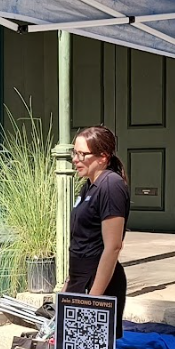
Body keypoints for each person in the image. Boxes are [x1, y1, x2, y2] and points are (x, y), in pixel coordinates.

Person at [66, 125, 129, 336]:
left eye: (82, 154)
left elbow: (113, 247)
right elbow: (81, 240)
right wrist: (68, 286)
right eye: (74, 152)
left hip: (97, 284)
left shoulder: (111, 186)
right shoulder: (89, 185)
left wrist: (92, 300)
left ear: (103, 157)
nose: (76, 159)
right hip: (80, 281)